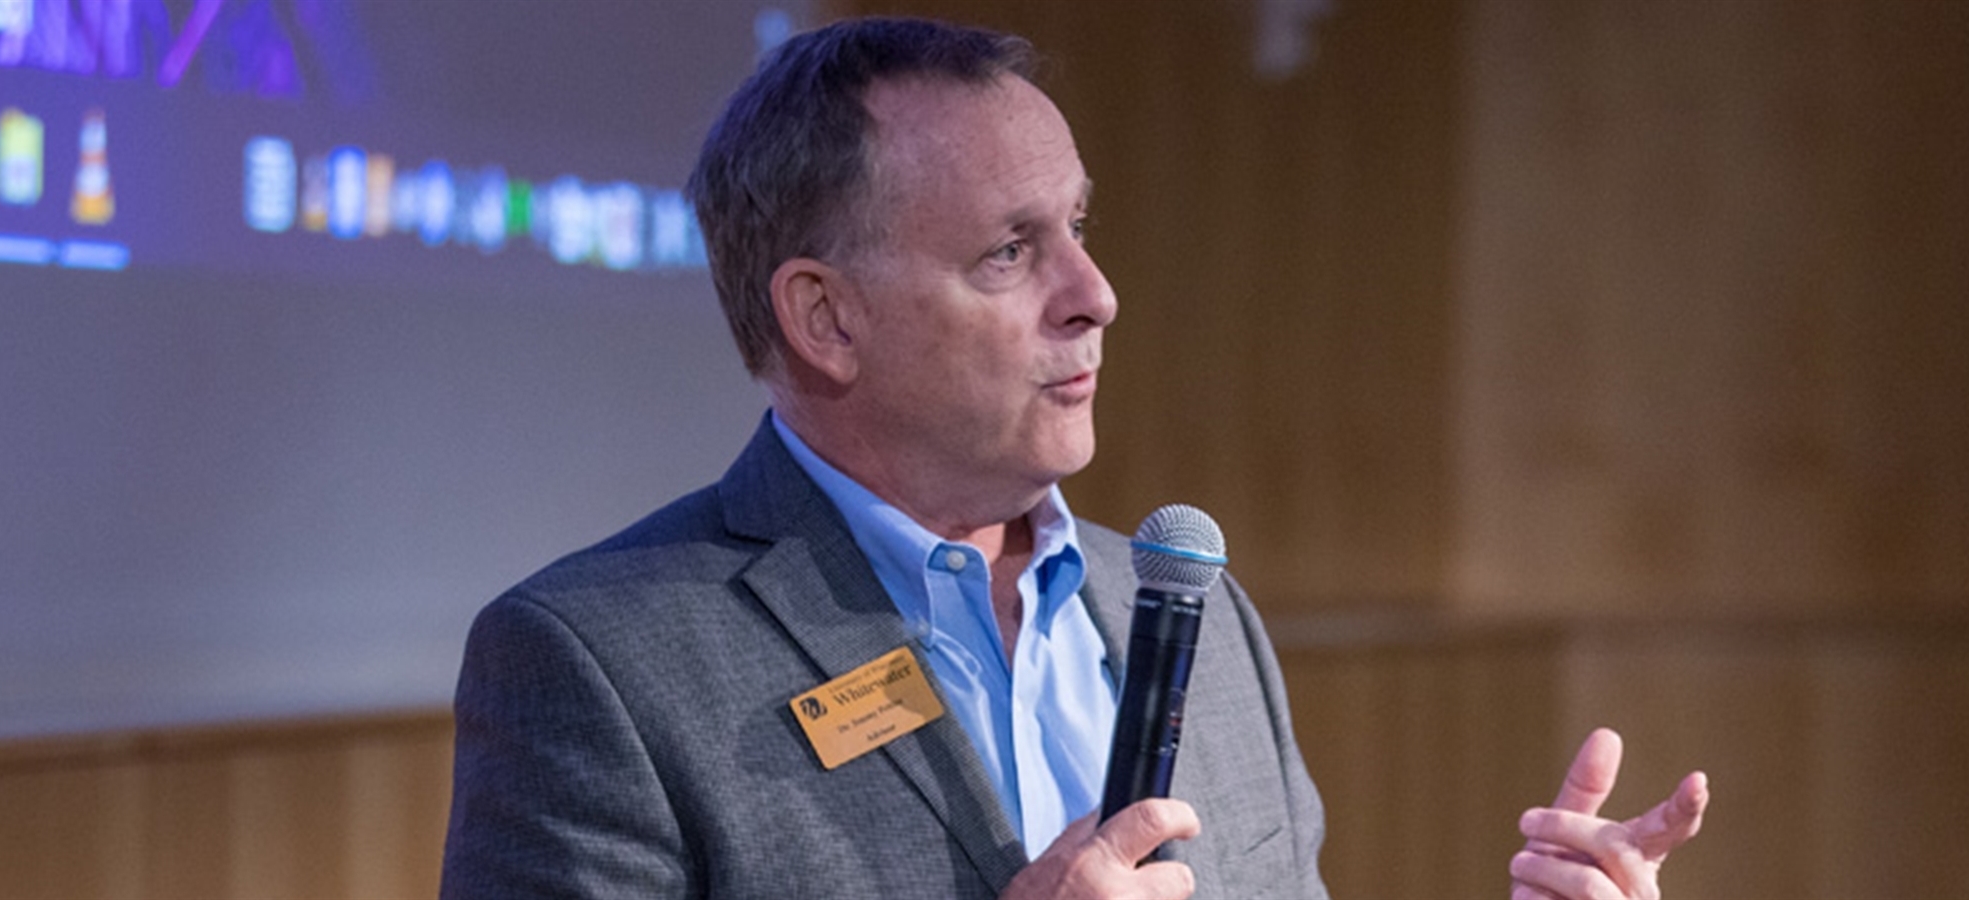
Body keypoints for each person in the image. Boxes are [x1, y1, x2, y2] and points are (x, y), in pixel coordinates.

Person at [441, 15, 1706, 900]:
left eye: (1079, 231)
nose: (1094, 294)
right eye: (1008, 253)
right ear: (825, 318)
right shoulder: (596, 662)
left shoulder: (1199, 618)